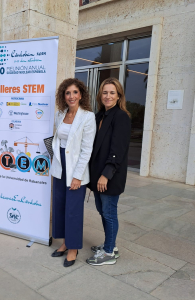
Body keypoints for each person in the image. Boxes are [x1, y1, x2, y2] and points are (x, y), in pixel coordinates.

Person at [50, 78, 96, 267]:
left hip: (76, 169)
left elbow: (87, 149)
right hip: (60, 167)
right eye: (67, 93)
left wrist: (77, 176)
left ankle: (74, 248)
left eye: (75, 92)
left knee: (73, 211)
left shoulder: (88, 117)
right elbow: (57, 141)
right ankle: (65, 242)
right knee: (60, 206)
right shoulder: (60, 114)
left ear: (81, 94)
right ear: (64, 96)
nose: (71, 96)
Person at [86, 77, 131, 266]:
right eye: (105, 92)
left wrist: (106, 174)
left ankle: (109, 252)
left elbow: (117, 150)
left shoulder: (121, 116)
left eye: (112, 92)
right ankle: (109, 244)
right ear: (100, 95)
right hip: (97, 174)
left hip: (109, 175)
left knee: (109, 212)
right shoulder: (99, 116)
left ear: (119, 95)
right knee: (102, 211)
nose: (108, 96)